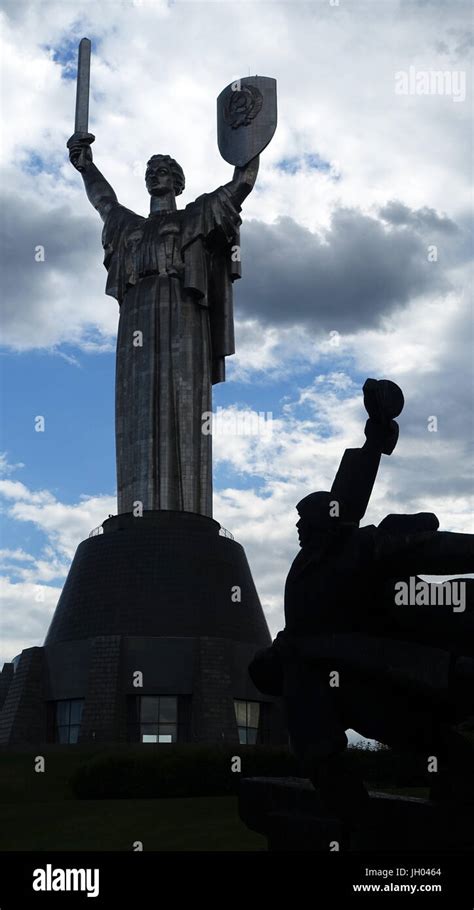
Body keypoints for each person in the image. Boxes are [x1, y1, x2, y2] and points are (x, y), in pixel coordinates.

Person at [249, 378, 474, 821]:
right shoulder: (313, 562)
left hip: (390, 671)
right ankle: (356, 809)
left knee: (435, 741)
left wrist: (376, 433)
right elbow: (345, 499)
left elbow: (430, 547)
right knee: (429, 743)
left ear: (322, 524)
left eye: (303, 517)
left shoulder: (354, 549)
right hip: (355, 682)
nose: (296, 525)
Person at [68, 136, 259, 517]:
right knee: (137, 403)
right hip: (137, 309)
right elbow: (103, 201)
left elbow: (242, 184)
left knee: (181, 395)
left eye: (165, 171)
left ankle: (185, 512)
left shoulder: (195, 216)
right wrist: (86, 166)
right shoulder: (128, 227)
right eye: (151, 171)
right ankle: (138, 511)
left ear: (178, 182)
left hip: (182, 303)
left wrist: (249, 142)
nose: (157, 175)